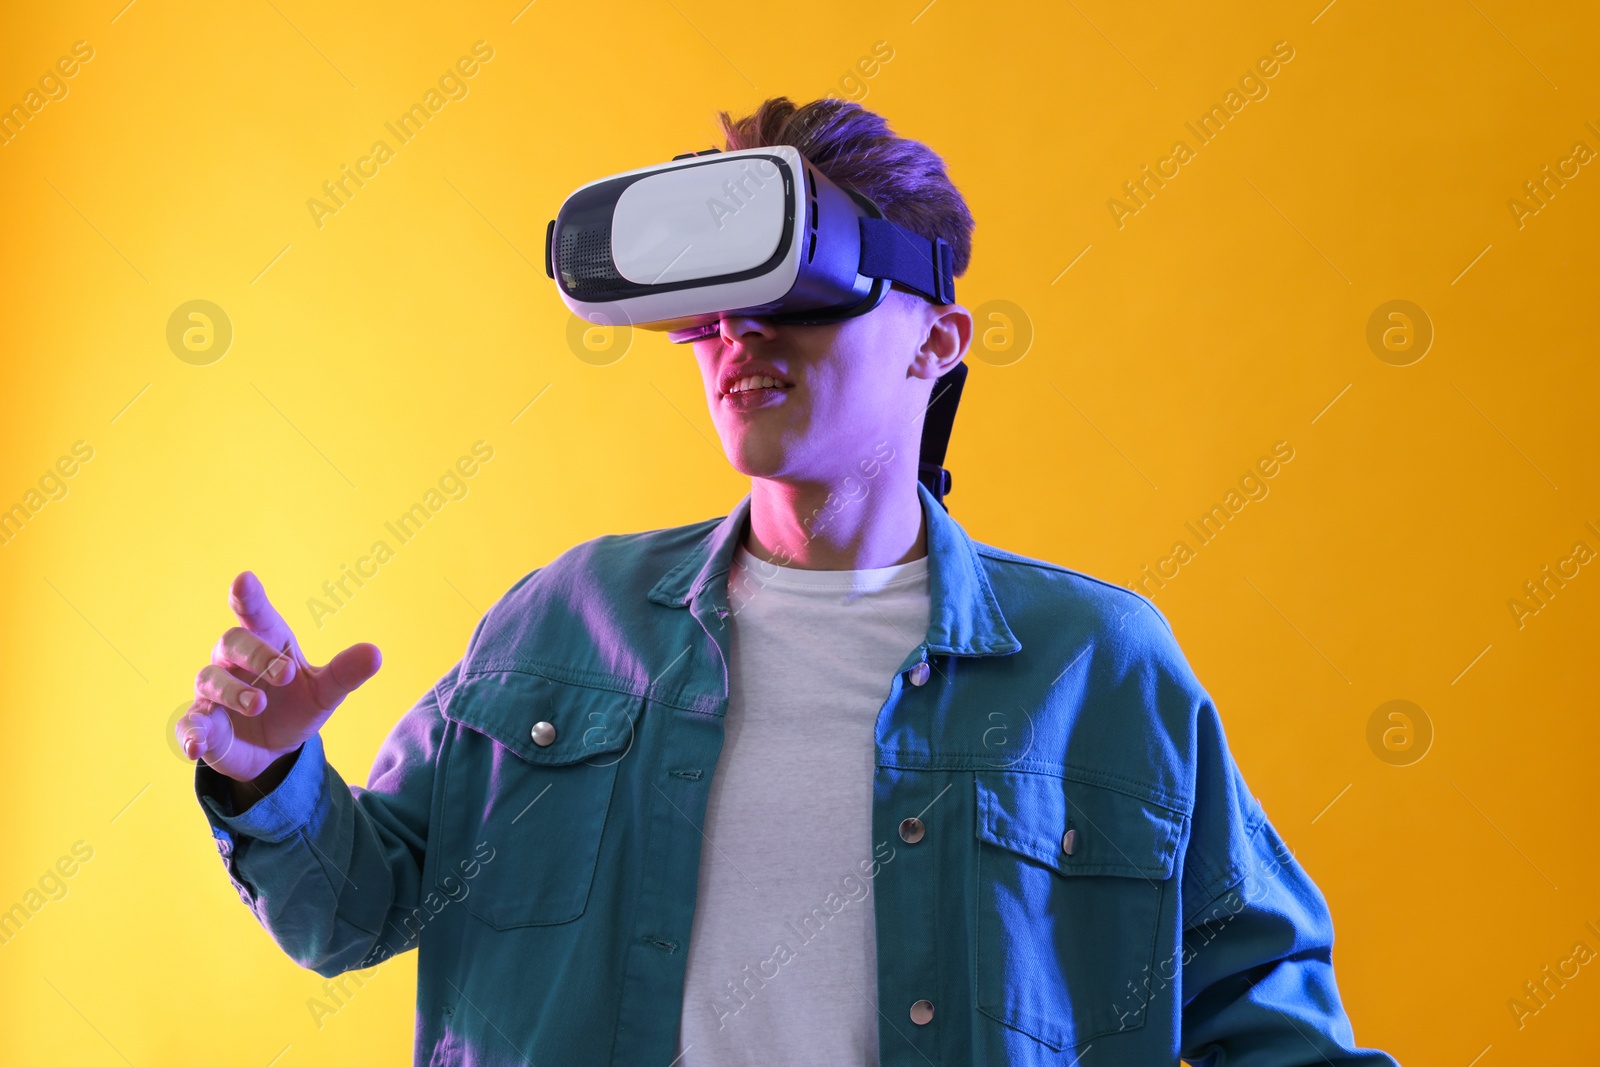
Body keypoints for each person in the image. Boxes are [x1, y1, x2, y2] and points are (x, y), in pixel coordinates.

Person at [178, 96, 1398, 1066]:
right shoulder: (565, 622)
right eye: (708, 314)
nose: (738, 341)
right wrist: (268, 774)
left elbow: (1269, 1012)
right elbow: (358, 908)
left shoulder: (1099, 666)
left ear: (935, 339)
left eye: (797, 297)